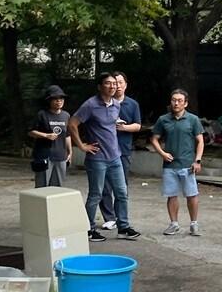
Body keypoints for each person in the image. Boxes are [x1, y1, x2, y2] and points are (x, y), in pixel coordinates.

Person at [69, 72, 141, 241]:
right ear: (100, 86)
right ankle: (89, 229)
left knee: (122, 193)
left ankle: (123, 227)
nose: (112, 86)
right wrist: (81, 145)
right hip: (97, 158)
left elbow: (110, 125)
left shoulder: (116, 104)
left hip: (115, 156)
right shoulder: (90, 105)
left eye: (114, 84)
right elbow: (72, 123)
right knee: (96, 194)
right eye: (108, 83)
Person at [150, 88, 206, 236]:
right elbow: (154, 139)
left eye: (180, 101)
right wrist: (162, 153)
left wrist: (197, 160)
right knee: (171, 195)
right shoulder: (163, 120)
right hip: (170, 165)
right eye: (174, 100)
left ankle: (194, 223)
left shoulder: (193, 120)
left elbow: (200, 141)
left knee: (192, 194)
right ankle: (174, 224)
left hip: (188, 164)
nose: (176, 103)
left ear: (186, 103)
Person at [100, 72, 142, 230]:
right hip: (104, 150)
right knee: (103, 186)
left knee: (121, 186)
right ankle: (109, 217)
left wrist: (123, 127)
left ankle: (121, 216)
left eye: (120, 82)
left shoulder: (132, 104)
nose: (117, 86)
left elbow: (138, 125)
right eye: (114, 83)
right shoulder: (103, 103)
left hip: (123, 149)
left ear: (125, 85)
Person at [29, 86, 69, 188]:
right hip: (44, 156)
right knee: (42, 186)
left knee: (57, 187)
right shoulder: (42, 114)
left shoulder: (66, 115)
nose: (59, 101)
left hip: (61, 156)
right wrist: (46, 135)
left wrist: (70, 152)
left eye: (61, 98)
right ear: (49, 100)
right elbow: (31, 132)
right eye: (55, 99)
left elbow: (67, 135)